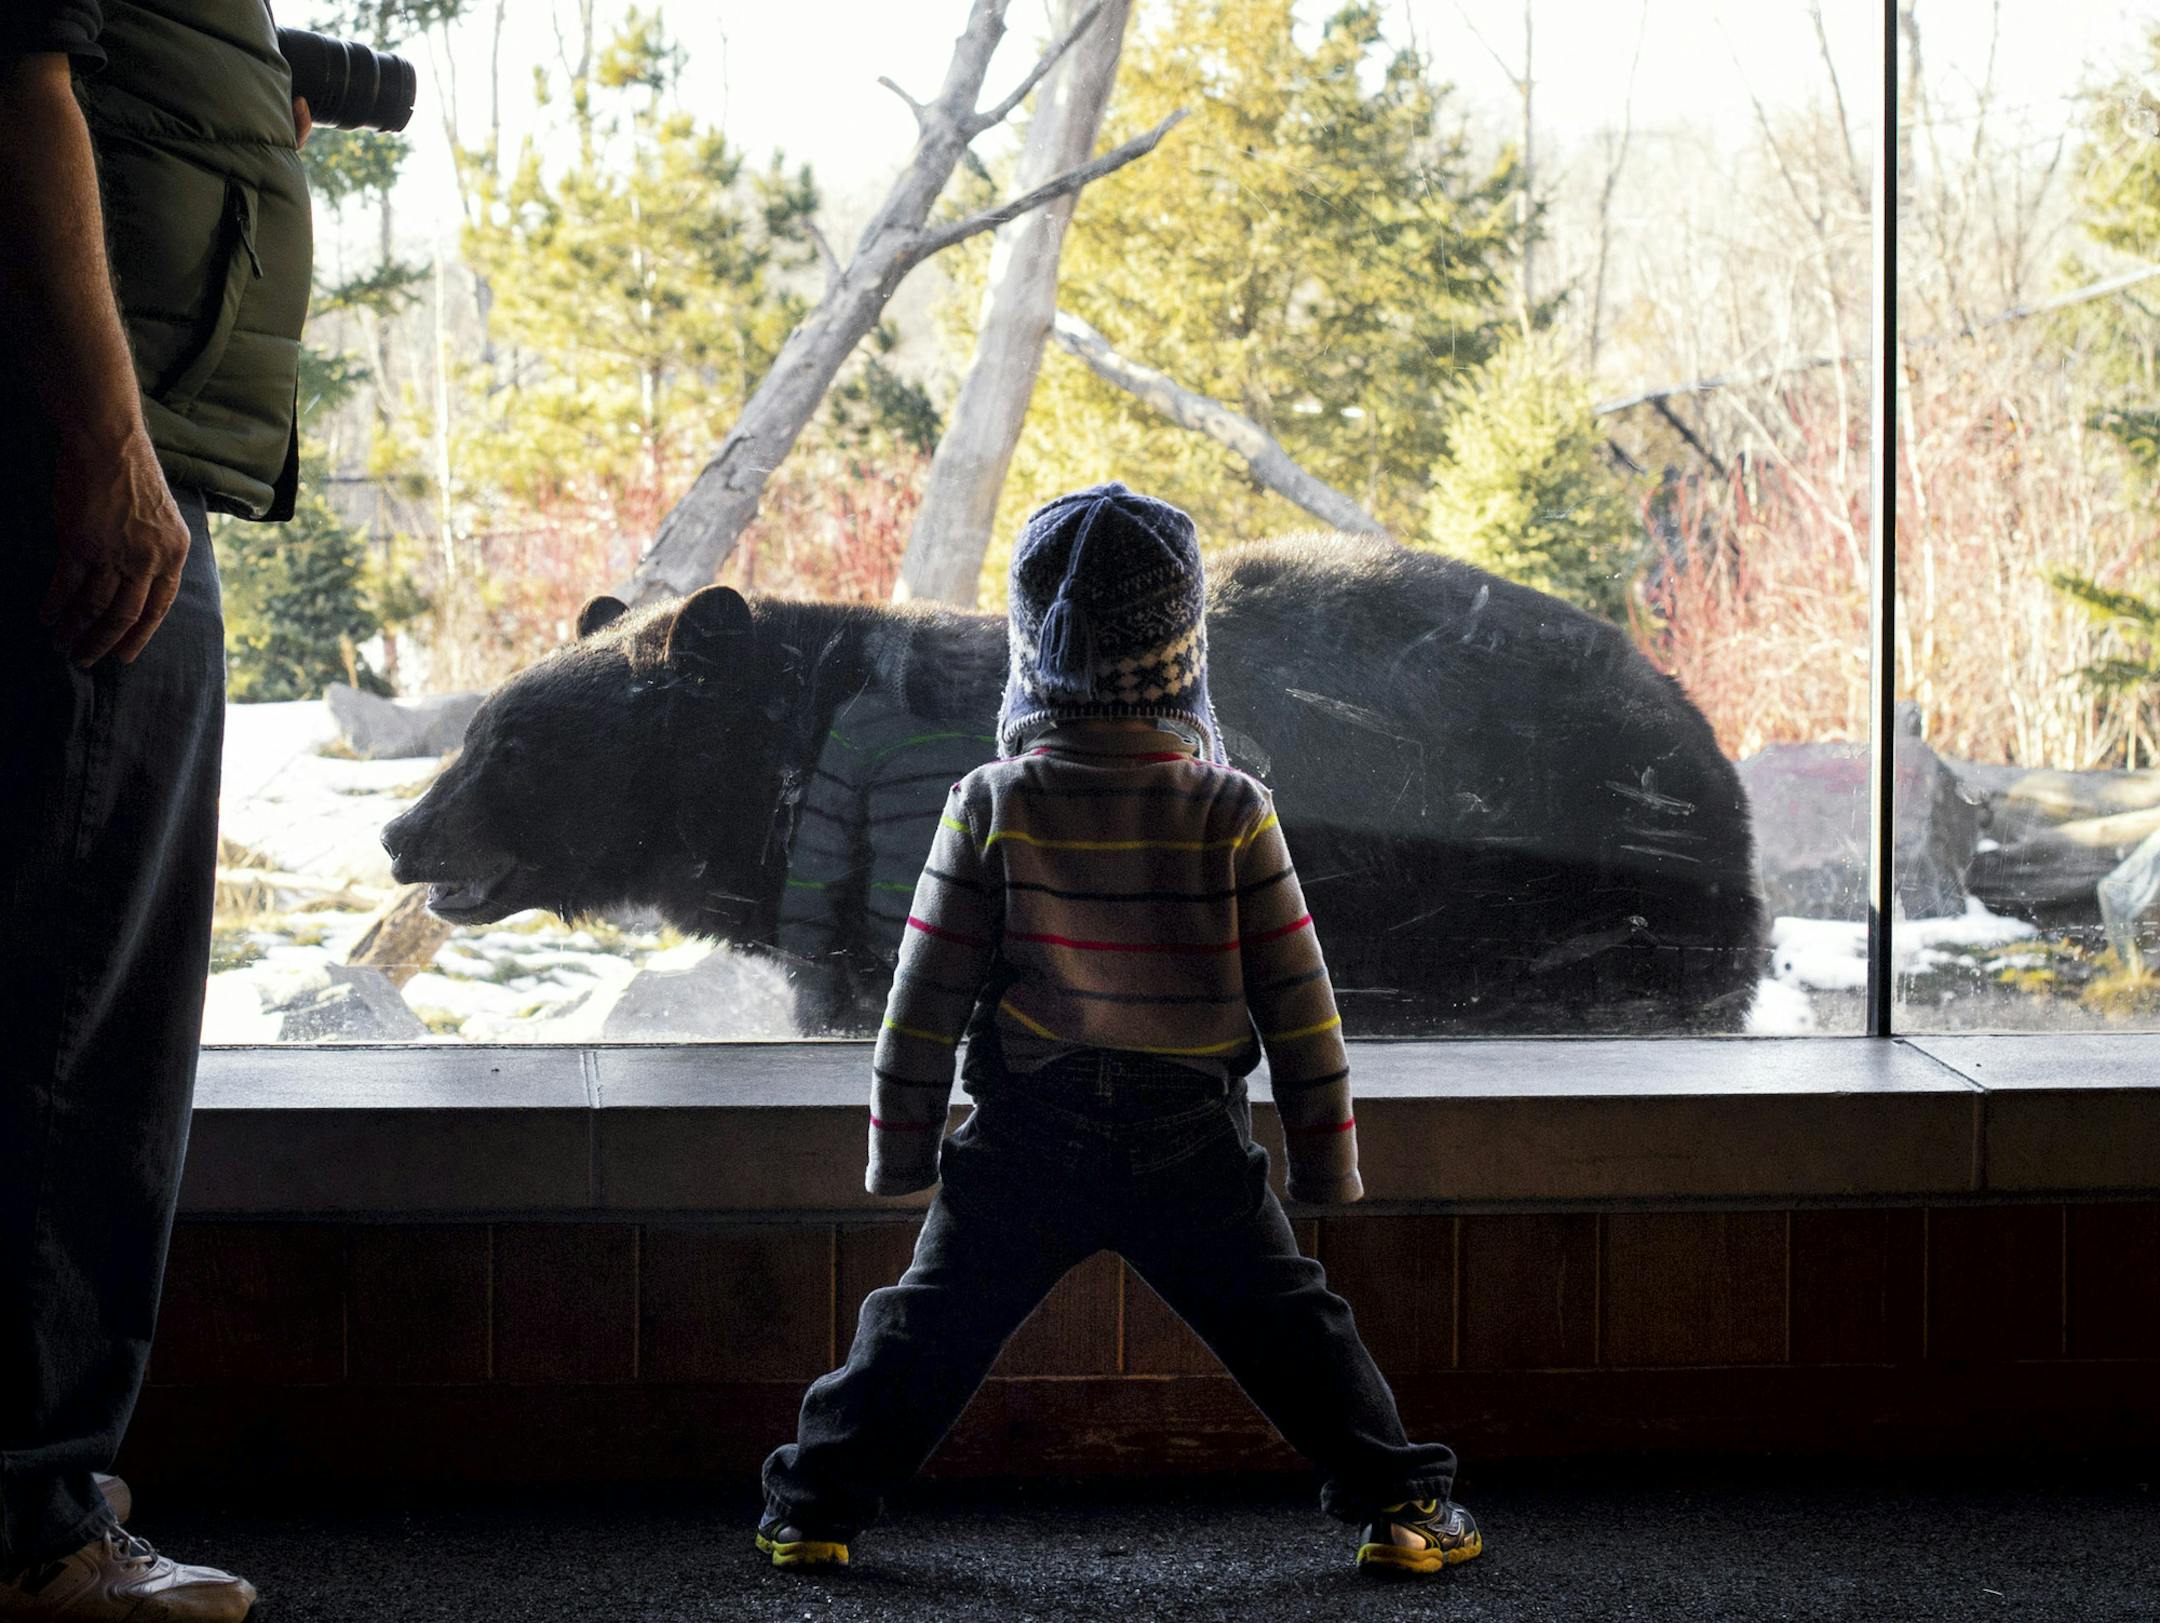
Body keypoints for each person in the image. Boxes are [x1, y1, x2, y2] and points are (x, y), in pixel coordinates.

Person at [756, 483, 1482, 1578]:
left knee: (927, 1324)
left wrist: (900, 1155)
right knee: (1292, 1326)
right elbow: (1301, 1005)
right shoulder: (1231, 807)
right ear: (1184, 654)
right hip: (1188, 1138)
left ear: (1030, 649)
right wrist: (1326, 1164)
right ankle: (1405, 1510)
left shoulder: (991, 800)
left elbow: (922, 1002)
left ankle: (811, 1511)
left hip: (1027, 1134)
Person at [1, 3, 312, 1616]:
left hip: (99, 453)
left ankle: (35, 1477)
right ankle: (28, 1522)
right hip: (74, 467)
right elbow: (15, 71)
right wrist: (105, 440)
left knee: (65, 991)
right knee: (74, 1012)